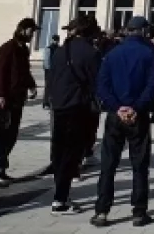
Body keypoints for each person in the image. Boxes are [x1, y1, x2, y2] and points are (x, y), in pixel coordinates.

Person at [91, 16, 154, 227]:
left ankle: (102, 211)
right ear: (144, 31)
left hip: (116, 115)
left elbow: (102, 86)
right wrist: (136, 107)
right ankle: (139, 212)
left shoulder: (112, 54)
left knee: (108, 164)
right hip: (138, 116)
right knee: (139, 165)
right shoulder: (150, 53)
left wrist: (117, 107)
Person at [47, 17, 102, 216]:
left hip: (59, 105)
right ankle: (60, 200)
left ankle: (60, 193)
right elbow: (97, 82)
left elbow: (51, 77)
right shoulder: (90, 53)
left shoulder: (61, 50)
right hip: (77, 106)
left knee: (59, 151)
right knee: (71, 153)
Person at [0, 18, 38, 187]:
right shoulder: (8, 48)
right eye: (31, 31)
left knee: (11, 136)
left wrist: (31, 85)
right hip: (7, 99)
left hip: (18, 98)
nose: (32, 35)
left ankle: (0, 169)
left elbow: (25, 71)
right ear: (23, 29)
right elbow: (0, 73)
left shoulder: (23, 50)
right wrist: (0, 95)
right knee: (1, 135)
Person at [42, 34, 60, 109]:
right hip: (49, 70)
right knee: (48, 87)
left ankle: (53, 101)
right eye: (55, 40)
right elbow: (46, 61)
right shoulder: (49, 48)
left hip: (56, 70)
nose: (56, 41)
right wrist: (48, 69)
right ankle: (46, 103)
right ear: (52, 40)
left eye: (57, 40)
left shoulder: (59, 48)